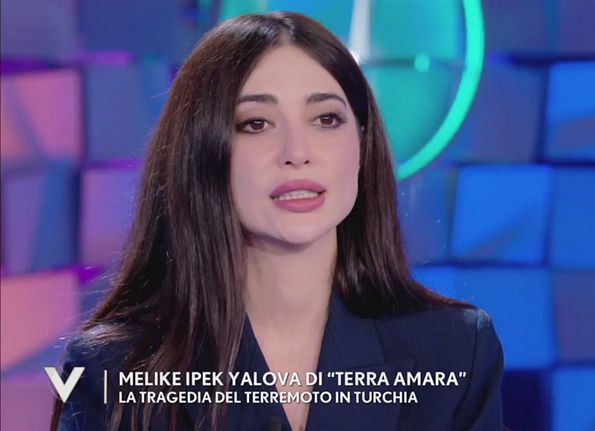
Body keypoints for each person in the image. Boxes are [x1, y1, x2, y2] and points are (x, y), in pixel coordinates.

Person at [50, 11, 504, 431]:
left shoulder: (455, 351)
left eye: (326, 118)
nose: (297, 152)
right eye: (256, 124)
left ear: (362, 145)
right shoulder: (113, 371)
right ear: (203, 152)